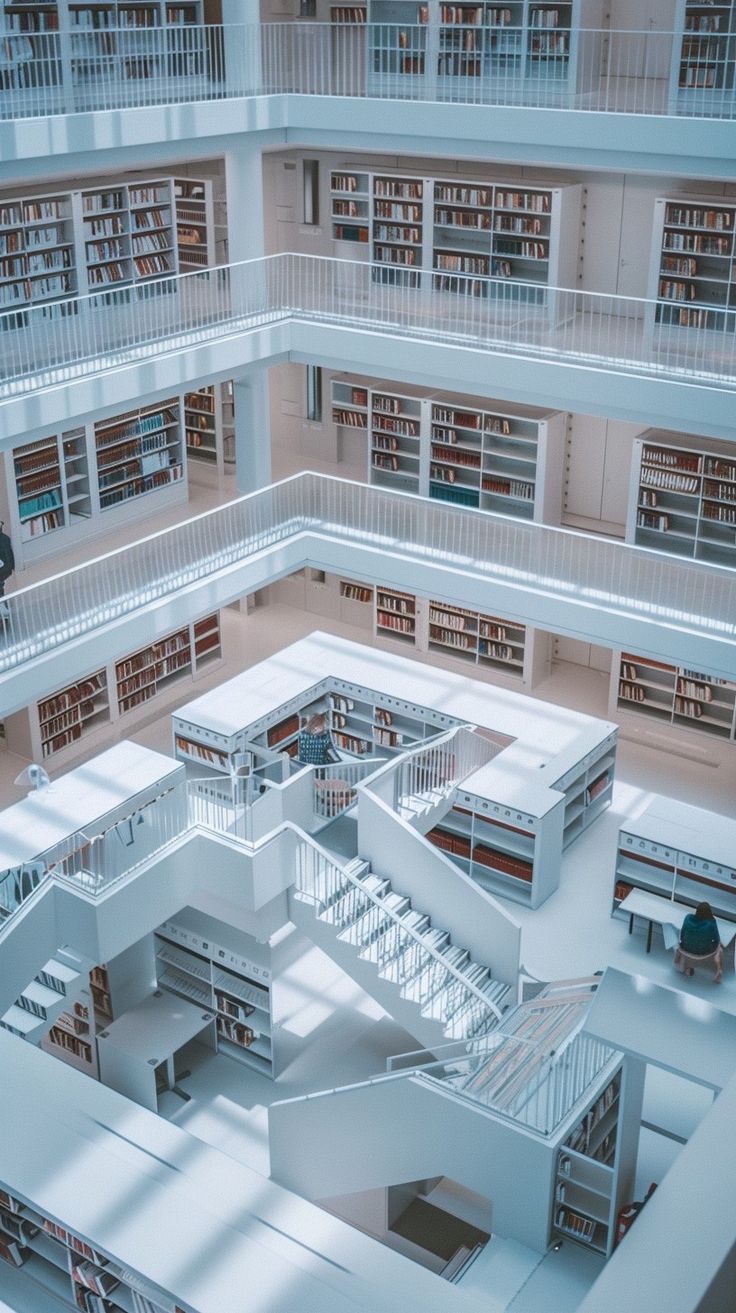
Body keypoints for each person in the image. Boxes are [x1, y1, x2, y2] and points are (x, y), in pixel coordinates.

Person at [676, 901, 722, 983]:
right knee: (720, 948)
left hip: (685, 950)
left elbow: (682, 935)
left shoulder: (688, 918)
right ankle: (719, 969)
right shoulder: (711, 924)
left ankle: (686, 965)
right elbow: (717, 939)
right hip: (704, 953)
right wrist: (712, 947)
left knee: (687, 941)